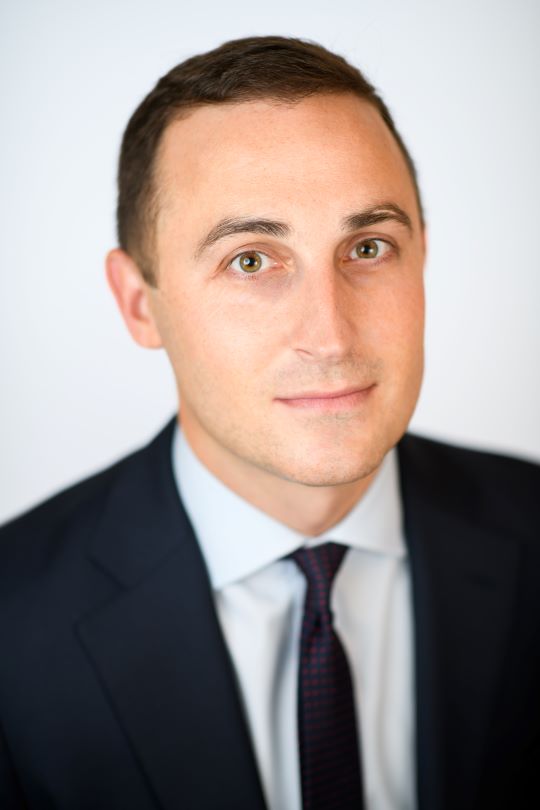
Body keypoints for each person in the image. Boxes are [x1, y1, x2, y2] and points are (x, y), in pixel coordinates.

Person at [0, 35, 538, 810]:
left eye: (369, 247)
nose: (331, 336)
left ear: (422, 258)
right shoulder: (13, 620)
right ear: (139, 303)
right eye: (250, 260)